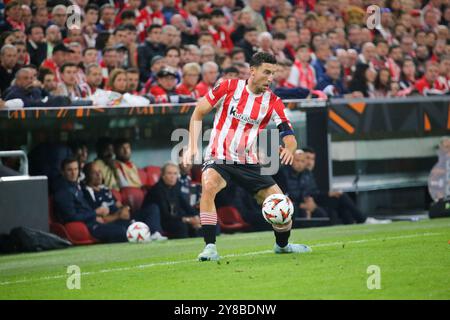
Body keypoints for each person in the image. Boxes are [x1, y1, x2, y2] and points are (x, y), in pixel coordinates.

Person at [183, 52, 312, 262]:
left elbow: (288, 134)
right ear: (252, 71)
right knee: (208, 185)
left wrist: (289, 148)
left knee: (281, 205)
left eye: (274, 73)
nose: (271, 78)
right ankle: (209, 247)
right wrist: (191, 147)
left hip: (249, 162)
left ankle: (283, 245)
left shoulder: (273, 102)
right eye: (267, 72)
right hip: (219, 156)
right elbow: (198, 112)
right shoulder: (228, 87)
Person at [302, 147, 392, 225]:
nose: (310, 162)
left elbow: (313, 192)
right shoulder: (301, 173)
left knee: (340, 199)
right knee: (341, 196)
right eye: (307, 158)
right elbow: (307, 193)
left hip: (315, 198)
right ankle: (363, 219)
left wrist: (328, 194)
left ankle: (351, 224)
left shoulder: (308, 173)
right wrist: (327, 194)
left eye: (312, 159)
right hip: (309, 200)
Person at [82, 162, 167, 241]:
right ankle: (140, 235)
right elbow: (99, 219)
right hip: (112, 224)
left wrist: (125, 208)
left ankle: (154, 234)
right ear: (87, 175)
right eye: (94, 173)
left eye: (100, 172)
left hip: (124, 219)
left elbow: (119, 205)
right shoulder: (86, 193)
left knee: (152, 208)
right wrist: (118, 216)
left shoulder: (105, 189)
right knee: (122, 230)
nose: (98, 175)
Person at [53, 158, 128, 243]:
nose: (73, 173)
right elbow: (71, 217)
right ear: (63, 172)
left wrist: (95, 217)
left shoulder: (75, 187)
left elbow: (84, 210)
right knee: (122, 231)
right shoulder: (63, 192)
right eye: (69, 170)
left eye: (75, 169)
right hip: (87, 227)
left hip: (93, 222)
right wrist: (95, 213)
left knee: (126, 225)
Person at [143, 162, 201, 239]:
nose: (172, 177)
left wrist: (197, 217)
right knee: (181, 227)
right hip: (161, 221)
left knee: (208, 223)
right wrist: (188, 220)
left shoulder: (176, 186)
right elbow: (166, 215)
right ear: (163, 176)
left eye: (175, 174)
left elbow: (185, 205)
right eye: (169, 173)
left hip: (174, 218)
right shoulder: (157, 190)